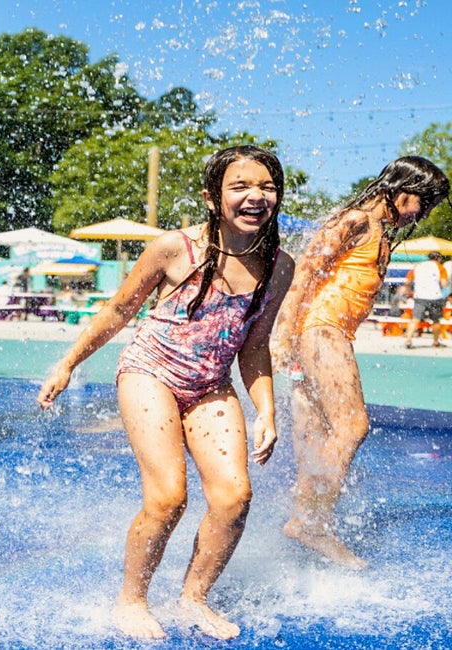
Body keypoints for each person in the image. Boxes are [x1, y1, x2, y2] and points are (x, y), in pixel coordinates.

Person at [37, 145, 294, 640]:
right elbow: (119, 311)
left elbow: (255, 345)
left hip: (210, 385)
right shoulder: (175, 248)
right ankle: (131, 599)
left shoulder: (279, 266)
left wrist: (266, 410)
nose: (255, 197)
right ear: (212, 197)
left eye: (266, 187)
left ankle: (193, 599)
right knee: (169, 496)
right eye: (239, 187)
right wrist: (68, 363)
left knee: (234, 496)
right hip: (150, 372)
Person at [272, 156, 450, 569]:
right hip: (321, 330)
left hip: (324, 333)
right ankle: (310, 521)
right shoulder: (354, 221)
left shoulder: (380, 234)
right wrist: (282, 334)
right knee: (353, 426)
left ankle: (306, 518)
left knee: (315, 435)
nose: (421, 215)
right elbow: (306, 274)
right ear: (399, 188)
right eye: (421, 203)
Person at [404, 251, 449, 348]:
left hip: (420, 296)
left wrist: (408, 292)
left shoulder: (419, 266)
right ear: (439, 258)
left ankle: (408, 340)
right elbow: (444, 284)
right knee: (436, 320)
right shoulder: (440, 267)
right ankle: (436, 342)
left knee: (415, 319)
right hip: (435, 297)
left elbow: (407, 282)